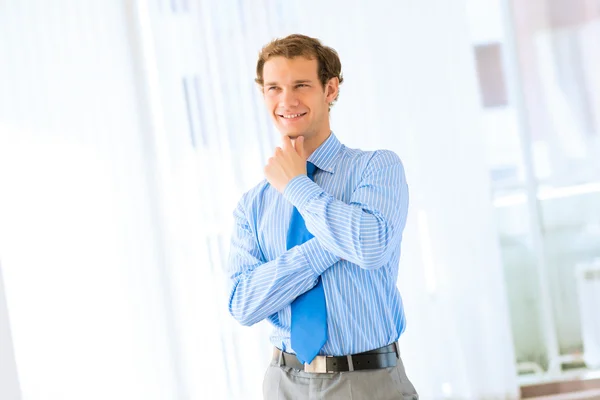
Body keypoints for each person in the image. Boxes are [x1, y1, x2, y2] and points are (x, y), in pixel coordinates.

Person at [226, 33, 418, 400]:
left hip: (369, 383)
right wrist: (328, 246)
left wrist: (297, 186)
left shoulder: (376, 168)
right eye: (273, 88)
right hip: (284, 383)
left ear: (330, 89)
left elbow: (369, 246)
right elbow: (242, 303)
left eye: (301, 85)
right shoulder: (253, 204)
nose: (286, 100)